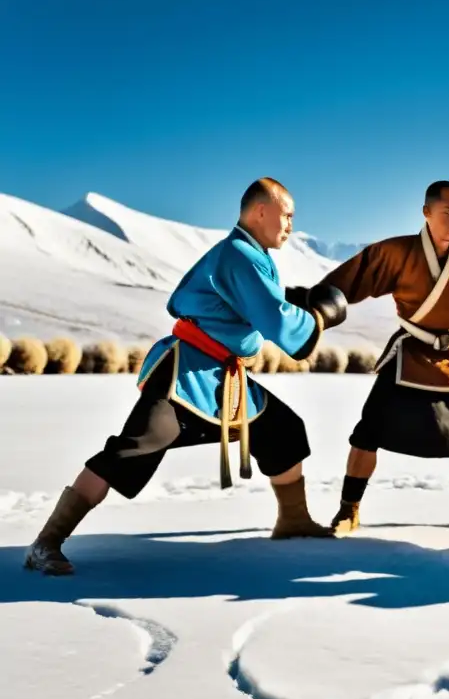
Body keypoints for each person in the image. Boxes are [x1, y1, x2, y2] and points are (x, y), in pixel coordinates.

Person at [24, 178, 349, 576]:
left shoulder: (248, 255)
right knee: (134, 448)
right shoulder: (239, 255)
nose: (290, 226)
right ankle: (46, 542)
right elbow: (274, 320)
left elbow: (261, 302)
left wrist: (292, 298)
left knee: (282, 429)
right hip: (185, 373)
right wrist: (316, 317)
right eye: (287, 215)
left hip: (222, 379)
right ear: (260, 211)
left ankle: (293, 520)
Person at [303, 180, 449, 534]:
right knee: (369, 428)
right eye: (447, 212)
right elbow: (345, 284)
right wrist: (315, 305)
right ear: (426, 213)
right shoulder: (397, 253)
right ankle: (348, 510)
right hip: (411, 355)